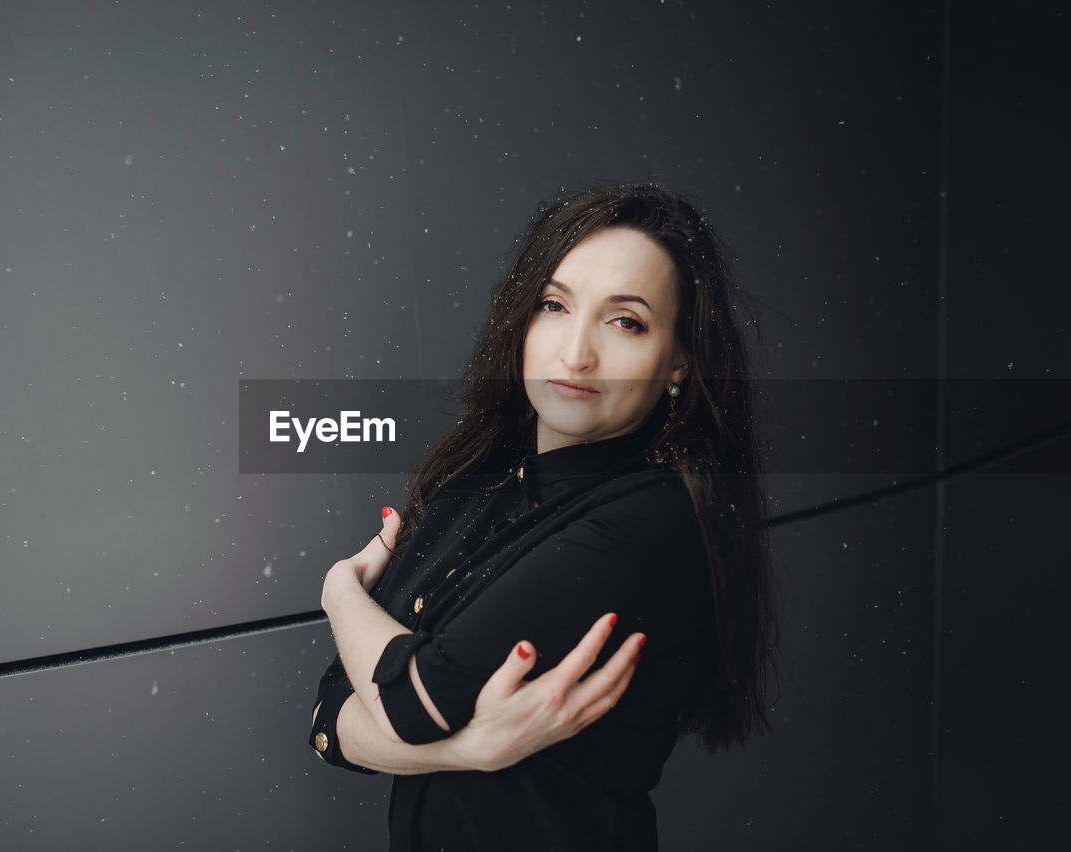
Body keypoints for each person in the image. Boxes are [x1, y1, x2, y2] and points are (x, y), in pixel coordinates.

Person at [309, 183, 776, 851]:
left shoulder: (654, 517)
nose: (576, 353)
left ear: (678, 360)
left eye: (625, 321)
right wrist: (463, 751)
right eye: (554, 305)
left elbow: (407, 703)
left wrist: (337, 592)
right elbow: (330, 712)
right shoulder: (475, 479)